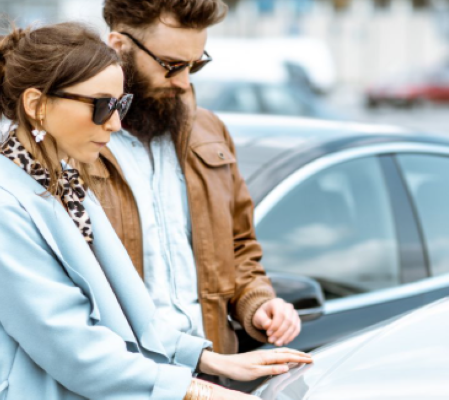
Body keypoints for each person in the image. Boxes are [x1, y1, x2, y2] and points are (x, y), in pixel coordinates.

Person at [0, 22, 311, 400]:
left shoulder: (63, 185)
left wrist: (213, 361)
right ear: (37, 105)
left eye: (121, 103)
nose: (115, 123)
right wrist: (200, 391)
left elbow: (128, 313)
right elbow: (74, 350)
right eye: (102, 106)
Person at [92, 0, 304, 369]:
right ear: (119, 46)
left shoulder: (210, 132)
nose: (184, 82)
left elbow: (239, 247)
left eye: (195, 65)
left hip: (217, 373)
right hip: (127, 380)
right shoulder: (75, 145)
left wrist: (257, 302)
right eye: (171, 65)